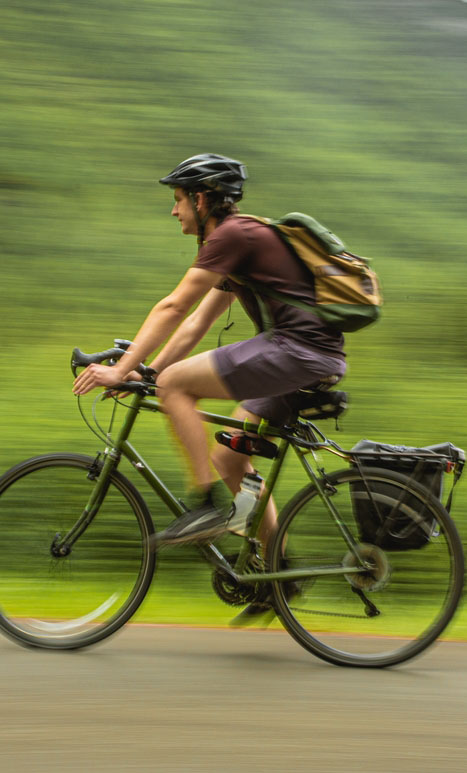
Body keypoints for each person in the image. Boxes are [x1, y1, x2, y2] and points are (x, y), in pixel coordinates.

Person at [72, 153, 346, 563]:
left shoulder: (232, 236)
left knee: (176, 385)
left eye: (178, 199)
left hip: (296, 351)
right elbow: (196, 322)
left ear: (201, 201)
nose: (173, 209)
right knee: (231, 459)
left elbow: (173, 307)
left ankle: (205, 507)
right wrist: (148, 371)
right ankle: (279, 574)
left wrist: (121, 371)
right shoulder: (241, 242)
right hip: (306, 358)